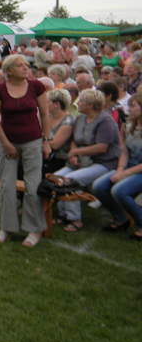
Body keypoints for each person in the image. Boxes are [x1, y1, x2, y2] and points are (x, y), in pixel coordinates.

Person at [0, 55, 51, 247]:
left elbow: (45, 114)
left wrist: (46, 141)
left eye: (26, 65)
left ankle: (34, 230)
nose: (26, 68)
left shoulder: (36, 86)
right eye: (20, 65)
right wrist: (5, 143)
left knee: (32, 188)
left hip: (33, 141)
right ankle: (6, 228)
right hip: (8, 142)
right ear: (9, 71)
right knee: (6, 186)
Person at [53, 89, 122, 231]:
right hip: (82, 160)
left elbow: (101, 148)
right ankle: (63, 214)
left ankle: (74, 219)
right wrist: (74, 156)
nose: (78, 103)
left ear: (90, 105)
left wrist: (76, 152)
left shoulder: (105, 121)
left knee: (70, 180)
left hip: (103, 162)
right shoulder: (80, 119)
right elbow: (75, 140)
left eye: (81, 101)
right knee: (57, 177)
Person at [92, 94, 142, 238]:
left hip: (139, 171)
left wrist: (124, 174)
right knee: (98, 186)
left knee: (119, 191)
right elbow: (125, 152)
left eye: (133, 106)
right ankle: (121, 218)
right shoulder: (129, 126)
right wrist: (120, 170)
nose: (129, 109)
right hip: (129, 167)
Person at [45, 89, 75, 174]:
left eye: (47, 102)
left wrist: (38, 142)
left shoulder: (68, 121)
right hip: (45, 154)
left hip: (59, 158)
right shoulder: (48, 117)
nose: (44, 104)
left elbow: (55, 145)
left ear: (57, 104)